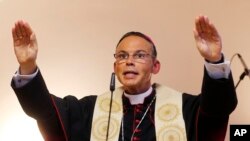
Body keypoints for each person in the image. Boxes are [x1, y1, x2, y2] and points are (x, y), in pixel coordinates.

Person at [11, 15, 237, 141]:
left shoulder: (186, 108)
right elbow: (44, 112)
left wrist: (214, 60)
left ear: (155, 66)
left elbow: (218, 108)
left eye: (140, 55)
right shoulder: (88, 109)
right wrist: (28, 65)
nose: (129, 61)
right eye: (122, 56)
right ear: (115, 66)